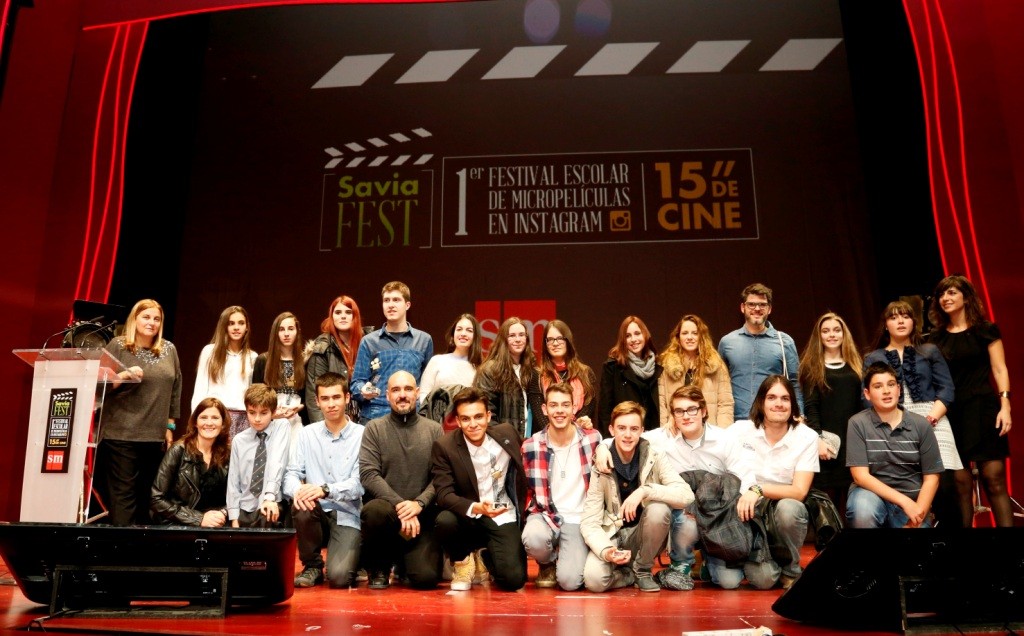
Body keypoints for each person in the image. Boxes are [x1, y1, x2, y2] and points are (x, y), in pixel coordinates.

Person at [596, 386, 760, 590]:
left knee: (729, 583)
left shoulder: (724, 439)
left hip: (718, 516)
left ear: (703, 411)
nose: (686, 416)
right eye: (679, 411)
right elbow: (627, 436)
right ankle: (680, 564)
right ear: (672, 415)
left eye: (692, 409)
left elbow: (746, 478)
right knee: (685, 518)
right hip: (684, 516)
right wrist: (602, 447)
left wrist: (752, 492)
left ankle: (709, 562)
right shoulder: (662, 438)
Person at [580, 401, 694, 593]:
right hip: (612, 536)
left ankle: (642, 570)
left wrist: (645, 491)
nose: (627, 434)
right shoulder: (601, 465)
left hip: (644, 537)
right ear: (611, 429)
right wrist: (606, 551)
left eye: (634, 429)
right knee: (594, 582)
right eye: (621, 428)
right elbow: (589, 521)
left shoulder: (655, 455)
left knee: (659, 509)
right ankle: (628, 574)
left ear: (642, 430)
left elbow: (686, 495)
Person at [864, 300, 961, 524]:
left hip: (933, 417)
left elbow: (946, 388)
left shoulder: (929, 350)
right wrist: (892, 420)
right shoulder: (874, 357)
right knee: (909, 481)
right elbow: (866, 396)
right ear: (885, 324)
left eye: (905, 316)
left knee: (945, 485)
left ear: (913, 322)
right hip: (894, 421)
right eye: (894, 317)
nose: (900, 321)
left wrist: (930, 418)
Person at [928, 275, 1014, 527]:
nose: (946, 298)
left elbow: (1000, 370)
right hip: (952, 412)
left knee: (994, 476)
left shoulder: (986, 330)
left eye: (952, 292)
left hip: (984, 406)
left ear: (966, 297)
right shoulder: (935, 338)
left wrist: (1006, 406)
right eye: (942, 294)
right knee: (960, 483)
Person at [95, 298, 182, 526]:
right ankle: (121, 554)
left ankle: (140, 554)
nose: (151, 322)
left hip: (153, 437)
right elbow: (97, 386)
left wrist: (169, 426)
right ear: (135, 318)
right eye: (146, 317)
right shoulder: (118, 345)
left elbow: (175, 389)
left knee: (148, 499)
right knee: (124, 500)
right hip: (121, 435)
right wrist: (123, 376)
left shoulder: (169, 349)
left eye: (156, 318)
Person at [432, 387, 528, 592]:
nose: (473, 424)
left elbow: (533, 446)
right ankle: (463, 561)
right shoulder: (445, 446)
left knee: (514, 580)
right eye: (465, 419)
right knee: (444, 521)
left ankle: (485, 558)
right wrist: (476, 507)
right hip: (467, 515)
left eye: (478, 417)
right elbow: (443, 494)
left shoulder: (507, 434)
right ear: (457, 421)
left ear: (488, 416)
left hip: (502, 513)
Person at [728, 375, 818, 589]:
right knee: (765, 581)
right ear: (761, 402)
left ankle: (791, 570)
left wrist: (758, 490)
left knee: (790, 508)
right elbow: (708, 440)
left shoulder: (807, 437)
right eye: (772, 397)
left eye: (785, 399)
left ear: (793, 404)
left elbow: (799, 491)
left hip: (781, 506)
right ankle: (750, 560)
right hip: (746, 512)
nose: (779, 404)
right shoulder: (739, 431)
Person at [360, 371, 444, 590]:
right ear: (387, 396)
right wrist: (401, 505)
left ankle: (404, 562)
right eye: (396, 390)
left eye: (408, 389)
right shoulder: (374, 428)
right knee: (373, 511)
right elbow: (368, 474)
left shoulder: (434, 430)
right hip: (387, 514)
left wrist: (419, 504)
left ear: (417, 393)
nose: (402, 395)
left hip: (421, 518)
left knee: (426, 579)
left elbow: (441, 476)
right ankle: (379, 567)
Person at [284, 372, 364, 588]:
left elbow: (360, 484)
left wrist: (325, 489)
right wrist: (297, 491)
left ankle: (356, 559)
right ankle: (312, 566)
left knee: (339, 578)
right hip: (316, 511)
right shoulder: (306, 434)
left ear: (347, 398)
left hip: (347, 512)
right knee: (300, 504)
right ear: (317, 402)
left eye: (336, 397)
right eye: (325, 399)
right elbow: (291, 473)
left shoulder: (362, 434)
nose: (331, 404)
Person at [521, 383, 603, 590]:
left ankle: (566, 557)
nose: (559, 410)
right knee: (533, 537)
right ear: (544, 409)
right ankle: (547, 563)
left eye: (565, 405)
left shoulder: (592, 439)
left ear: (574, 408)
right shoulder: (531, 445)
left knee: (569, 582)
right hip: (545, 514)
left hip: (578, 517)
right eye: (554, 405)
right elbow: (526, 488)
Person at [846, 362, 943, 528]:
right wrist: (903, 501)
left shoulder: (921, 424)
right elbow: (860, 476)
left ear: (899, 389)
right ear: (867, 394)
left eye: (891, 385)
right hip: (872, 497)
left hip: (913, 505)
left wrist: (915, 519)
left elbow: (932, 478)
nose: (886, 391)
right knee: (862, 510)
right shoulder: (857, 423)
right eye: (878, 386)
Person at [798, 312, 863, 516]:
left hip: (854, 440)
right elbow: (811, 407)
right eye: (826, 331)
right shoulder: (811, 368)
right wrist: (817, 439)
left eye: (836, 330)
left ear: (844, 334)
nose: (832, 335)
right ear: (819, 336)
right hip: (827, 444)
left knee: (852, 494)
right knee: (829, 498)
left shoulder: (856, 366)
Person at [718, 283, 803, 421]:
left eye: (762, 305)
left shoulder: (785, 342)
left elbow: (794, 383)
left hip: (773, 420)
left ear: (769, 309)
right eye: (751, 304)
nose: (757, 309)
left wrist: (799, 414)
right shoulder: (727, 342)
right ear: (742, 307)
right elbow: (719, 384)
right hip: (736, 421)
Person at [351, 281, 434, 423]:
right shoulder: (369, 341)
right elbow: (356, 385)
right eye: (386, 300)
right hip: (375, 416)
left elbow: (427, 384)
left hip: (412, 415)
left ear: (407, 305)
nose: (390, 305)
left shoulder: (424, 340)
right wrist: (363, 390)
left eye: (396, 300)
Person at [150, 397, 230, 527]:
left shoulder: (229, 454)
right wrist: (198, 519)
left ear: (223, 423)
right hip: (178, 525)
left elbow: (238, 494)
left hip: (215, 525)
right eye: (203, 417)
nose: (209, 423)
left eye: (215, 418)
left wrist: (223, 512)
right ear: (195, 422)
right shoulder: (178, 450)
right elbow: (156, 499)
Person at [226, 384, 290, 528]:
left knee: (269, 517)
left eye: (263, 413)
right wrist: (234, 517)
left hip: (271, 503)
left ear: (273, 412)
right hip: (245, 506)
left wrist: (269, 497)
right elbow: (233, 482)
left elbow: (276, 462)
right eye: (252, 412)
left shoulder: (281, 427)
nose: (257, 419)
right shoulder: (239, 440)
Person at [191, 305, 257, 438]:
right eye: (231, 323)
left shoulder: (253, 357)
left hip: (243, 418)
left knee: (239, 458)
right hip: (215, 416)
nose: (236, 327)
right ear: (224, 327)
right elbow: (200, 388)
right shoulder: (210, 352)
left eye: (241, 323)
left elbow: (252, 394)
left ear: (247, 327)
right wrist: (196, 419)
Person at [659, 314, 735, 427]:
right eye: (685, 333)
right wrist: (665, 432)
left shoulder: (716, 365)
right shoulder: (667, 367)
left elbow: (725, 404)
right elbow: (662, 405)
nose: (690, 337)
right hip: (676, 433)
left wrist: (721, 434)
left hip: (709, 433)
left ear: (701, 336)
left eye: (695, 333)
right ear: (678, 337)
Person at [474, 316, 540, 438]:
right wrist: (503, 441)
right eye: (512, 336)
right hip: (502, 443)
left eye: (521, 335)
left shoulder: (532, 371)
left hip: (529, 441)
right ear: (503, 340)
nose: (518, 339)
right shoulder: (489, 370)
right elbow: (486, 412)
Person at [599, 316, 662, 434]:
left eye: (637, 333)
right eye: (628, 336)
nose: (633, 339)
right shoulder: (612, 367)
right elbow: (605, 411)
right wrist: (608, 442)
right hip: (625, 436)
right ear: (623, 340)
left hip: (654, 434)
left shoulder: (658, 366)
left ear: (645, 334)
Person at [530, 319, 596, 432]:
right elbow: (540, 415)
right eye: (550, 340)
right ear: (545, 344)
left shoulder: (585, 373)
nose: (555, 343)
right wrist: (557, 433)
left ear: (568, 341)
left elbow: (588, 408)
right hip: (548, 437)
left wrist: (571, 432)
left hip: (578, 435)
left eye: (559, 338)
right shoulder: (537, 375)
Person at [306, 295, 364, 423]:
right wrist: (321, 431)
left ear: (355, 316)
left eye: (348, 312)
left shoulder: (368, 343)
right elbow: (313, 394)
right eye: (338, 312)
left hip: (366, 418)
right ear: (332, 317)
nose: (343, 316)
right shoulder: (322, 348)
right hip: (333, 419)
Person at [253, 311, 307, 439]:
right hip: (270, 420)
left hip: (296, 421)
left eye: (291, 329)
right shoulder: (263, 360)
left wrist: (299, 407)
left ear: (297, 332)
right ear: (275, 333)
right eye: (281, 329)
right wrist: (271, 413)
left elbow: (309, 396)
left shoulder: (305, 360)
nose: (286, 334)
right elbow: (255, 395)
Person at [420, 313, 482, 397]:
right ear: (453, 334)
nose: (463, 333)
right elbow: (424, 393)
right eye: (459, 329)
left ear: (475, 337)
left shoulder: (481, 367)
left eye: (469, 330)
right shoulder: (437, 361)